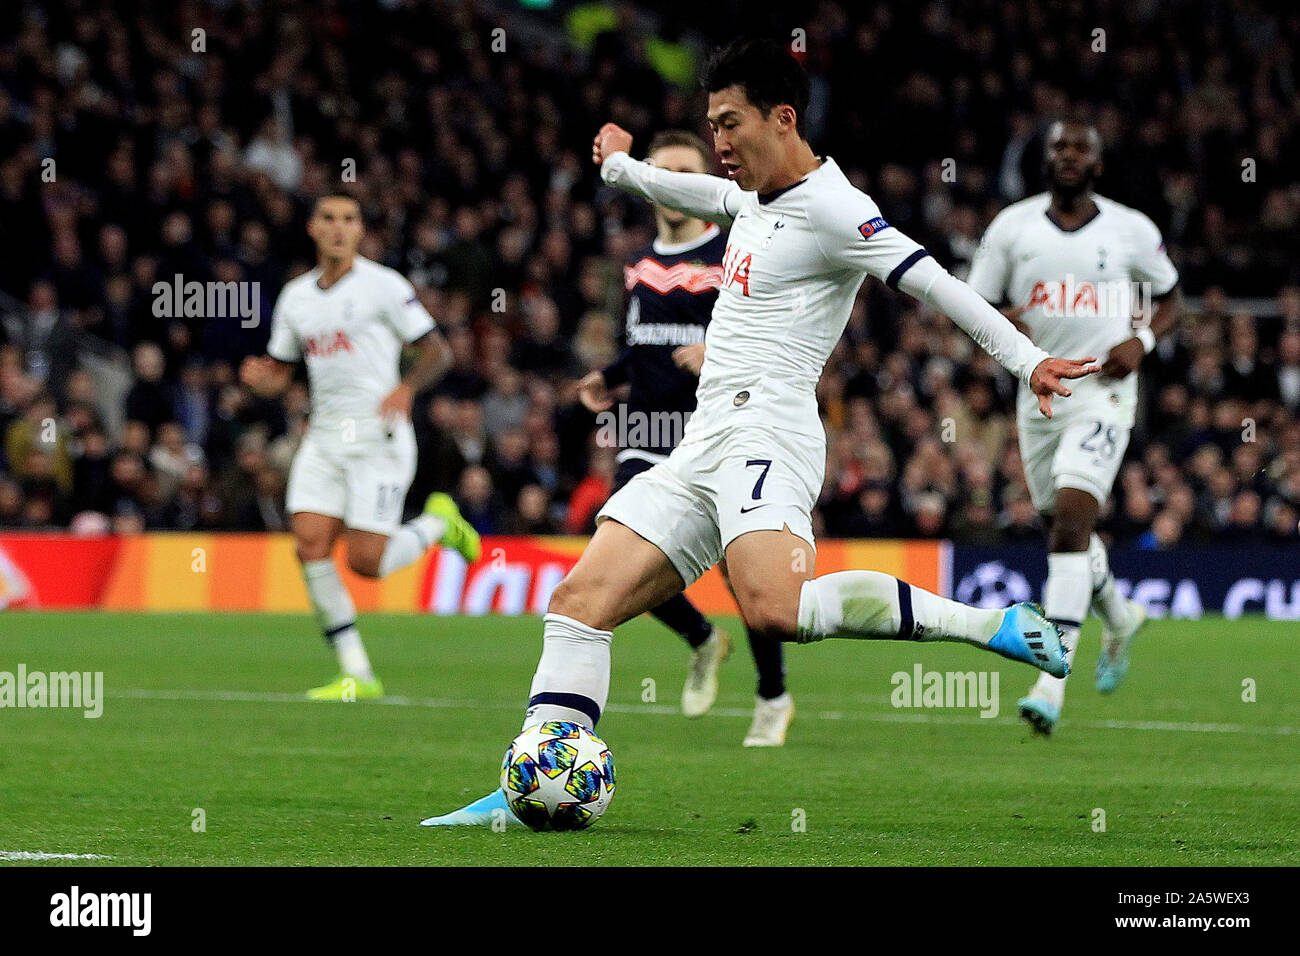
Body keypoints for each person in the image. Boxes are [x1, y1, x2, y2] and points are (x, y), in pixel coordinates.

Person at [424, 38, 1095, 827]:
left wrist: (1027, 360)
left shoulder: (838, 210)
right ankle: (521, 791)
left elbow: (935, 281)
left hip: (770, 435)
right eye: (711, 123)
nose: (720, 141)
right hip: (705, 437)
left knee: (773, 612)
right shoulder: (754, 198)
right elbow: (705, 195)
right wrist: (620, 171)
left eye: (730, 122)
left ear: (784, 118)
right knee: (579, 600)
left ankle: (989, 625)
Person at [576, 129, 793, 747]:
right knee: (620, 555)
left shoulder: (733, 251)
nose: (673, 184)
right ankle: (702, 638)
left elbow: (775, 330)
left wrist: (716, 349)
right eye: (662, 171)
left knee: (739, 571)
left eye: (684, 171)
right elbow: (644, 337)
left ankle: (773, 697)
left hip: (718, 428)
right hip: (646, 428)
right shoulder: (639, 262)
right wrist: (610, 376)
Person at [967, 120, 1182, 734]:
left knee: (1068, 525)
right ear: (1046, 157)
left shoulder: (1130, 229)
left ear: (1098, 162)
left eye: (1081, 148)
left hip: (1104, 395)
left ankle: (1050, 680)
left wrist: (1141, 339)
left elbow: (1173, 299)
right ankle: (1119, 614)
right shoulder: (1012, 226)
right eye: (1059, 146)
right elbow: (972, 305)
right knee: (1064, 533)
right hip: (1040, 395)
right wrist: (1010, 327)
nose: (1068, 156)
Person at [240, 194, 480, 701]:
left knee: (366, 563)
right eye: (329, 219)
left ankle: (438, 523)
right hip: (324, 436)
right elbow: (281, 373)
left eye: (349, 219)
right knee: (309, 542)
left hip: (379, 436)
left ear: (360, 230)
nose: (339, 228)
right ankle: (357, 673)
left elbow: (439, 352)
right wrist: (261, 381)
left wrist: (406, 388)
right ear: (312, 228)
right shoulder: (295, 298)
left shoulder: (384, 286)